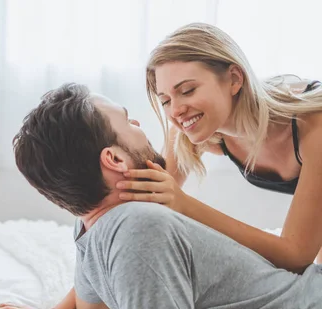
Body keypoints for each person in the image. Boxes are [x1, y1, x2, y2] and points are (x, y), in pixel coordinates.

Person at [0, 83, 322, 309]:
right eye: (129, 121)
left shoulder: (96, 223)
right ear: (113, 159)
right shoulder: (135, 227)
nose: (141, 123)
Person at [117, 22, 322, 274]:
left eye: (187, 90)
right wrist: (63, 308)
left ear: (235, 79)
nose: (176, 110)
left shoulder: (314, 125)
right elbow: (140, 208)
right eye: (166, 100)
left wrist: (184, 204)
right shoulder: (190, 130)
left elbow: (296, 255)